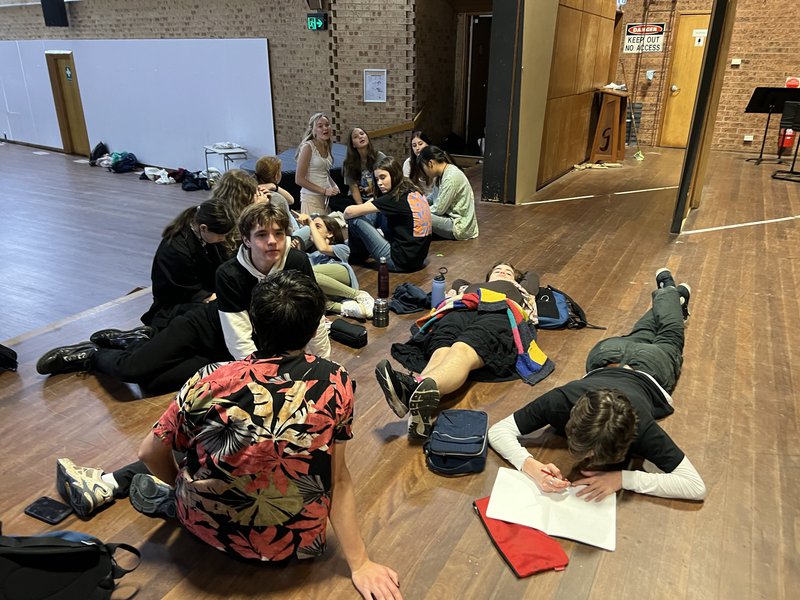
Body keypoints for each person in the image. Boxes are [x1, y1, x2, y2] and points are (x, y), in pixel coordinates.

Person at [55, 271, 403, 599]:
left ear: (252, 323)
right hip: (294, 544)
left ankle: (149, 495)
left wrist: (180, 487)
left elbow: (148, 453)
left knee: (198, 441)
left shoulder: (210, 378)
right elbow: (337, 479)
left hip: (208, 529)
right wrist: (360, 563)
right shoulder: (336, 381)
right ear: (315, 329)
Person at [36, 202, 330, 394]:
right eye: (262, 235)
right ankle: (91, 356)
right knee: (132, 370)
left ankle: (138, 341)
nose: (272, 241)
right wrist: (268, 381)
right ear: (246, 239)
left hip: (225, 351)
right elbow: (240, 340)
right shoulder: (230, 273)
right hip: (205, 329)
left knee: (153, 384)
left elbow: (314, 318)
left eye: (278, 233)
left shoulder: (297, 262)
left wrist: (321, 369)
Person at [487, 268, 706, 502]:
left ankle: (671, 292)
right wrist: (530, 465)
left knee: (664, 333)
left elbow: (696, 488)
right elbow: (497, 432)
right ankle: (671, 295)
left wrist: (622, 478)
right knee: (661, 332)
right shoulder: (561, 401)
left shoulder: (638, 425)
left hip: (628, 359)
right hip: (623, 357)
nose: (588, 457)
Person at [375, 262, 548, 439]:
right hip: (461, 308)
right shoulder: (470, 288)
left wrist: (513, 279)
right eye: (497, 270)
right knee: (441, 348)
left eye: (508, 272)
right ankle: (417, 403)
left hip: (500, 310)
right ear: (488, 276)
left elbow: (532, 275)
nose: (503, 272)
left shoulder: (519, 289)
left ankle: (412, 387)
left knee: (463, 346)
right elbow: (458, 282)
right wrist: (481, 283)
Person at [139, 199, 235, 332]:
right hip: (175, 304)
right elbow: (183, 291)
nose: (223, 239)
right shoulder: (176, 250)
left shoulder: (205, 236)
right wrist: (209, 297)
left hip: (198, 292)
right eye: (220, 235)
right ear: (203, 228)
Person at [343, 156, 432, 273]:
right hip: (417, 260)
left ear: (394, 175)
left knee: (355, 220)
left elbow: (348, 212)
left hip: (399, 261)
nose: (379, 183)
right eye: (377, 179)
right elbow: (377, 202)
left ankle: (354, 256)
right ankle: (352, 246)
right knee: (376, 212)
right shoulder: (410, 190)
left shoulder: (394, 199)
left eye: (383, 177)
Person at [296, 213, 375, 319]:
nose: (312, 229)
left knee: (307, 273)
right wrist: (296, 250)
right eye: (312, 227)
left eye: (317, 226)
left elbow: (323, 248)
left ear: (330, 233)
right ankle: (344, 307)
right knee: (300, 291)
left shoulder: (342, 248)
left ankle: (358, 295)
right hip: (328, 290)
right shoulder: (310, 255)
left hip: (342, 275)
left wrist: (310, 222)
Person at [418, 146, 479, 240]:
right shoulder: (442, 174)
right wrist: (418, 201)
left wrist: (417, 209)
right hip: (449, 218)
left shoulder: (451, 176)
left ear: (430, 163)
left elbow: (439, 209)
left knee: (420, 215)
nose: (424, 172)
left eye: (423, 167)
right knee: (417, 212)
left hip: (459, 225)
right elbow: (433, 197)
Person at [295, 112, 340, 216]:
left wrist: (334, 185)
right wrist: (324, 191)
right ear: (314, 130)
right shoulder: (308, 147)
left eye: (327, 125)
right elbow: (299, 179)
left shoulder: (326, 145)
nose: (325, 128)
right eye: (320, 126)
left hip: (325, 200)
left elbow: (324, 172)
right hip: (311, 199)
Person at [341, 127, 386, 208]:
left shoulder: (379, 156)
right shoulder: (348, 163)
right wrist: (362, 208)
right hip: (357, 200)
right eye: (355, 137)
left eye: (362, 134)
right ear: (353, 145)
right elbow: (354, 188)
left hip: (377, 198)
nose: (360, 137)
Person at [253, 155, 299, 231]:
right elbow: (289, 229)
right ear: (277, 176)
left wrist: (274, 186)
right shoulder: (277, 199)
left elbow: (291, 200)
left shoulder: (251, 191)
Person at [401, 130, 434, 198]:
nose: (417, 148)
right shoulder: (408, 163)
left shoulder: (434, 161)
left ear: (428, 144)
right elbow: (406, 185)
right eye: (414, 145)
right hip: (416, 198)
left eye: (420, 144)